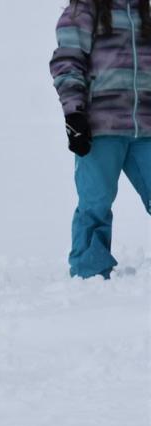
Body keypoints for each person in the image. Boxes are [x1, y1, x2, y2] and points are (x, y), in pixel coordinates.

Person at [50, 0, 151, 279]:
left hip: (146, 126)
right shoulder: (84, 11)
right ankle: (90, 273)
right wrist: (74, 114)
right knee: (96, 201)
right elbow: (67, 62)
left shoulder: (145, 11)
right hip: (101, 127)